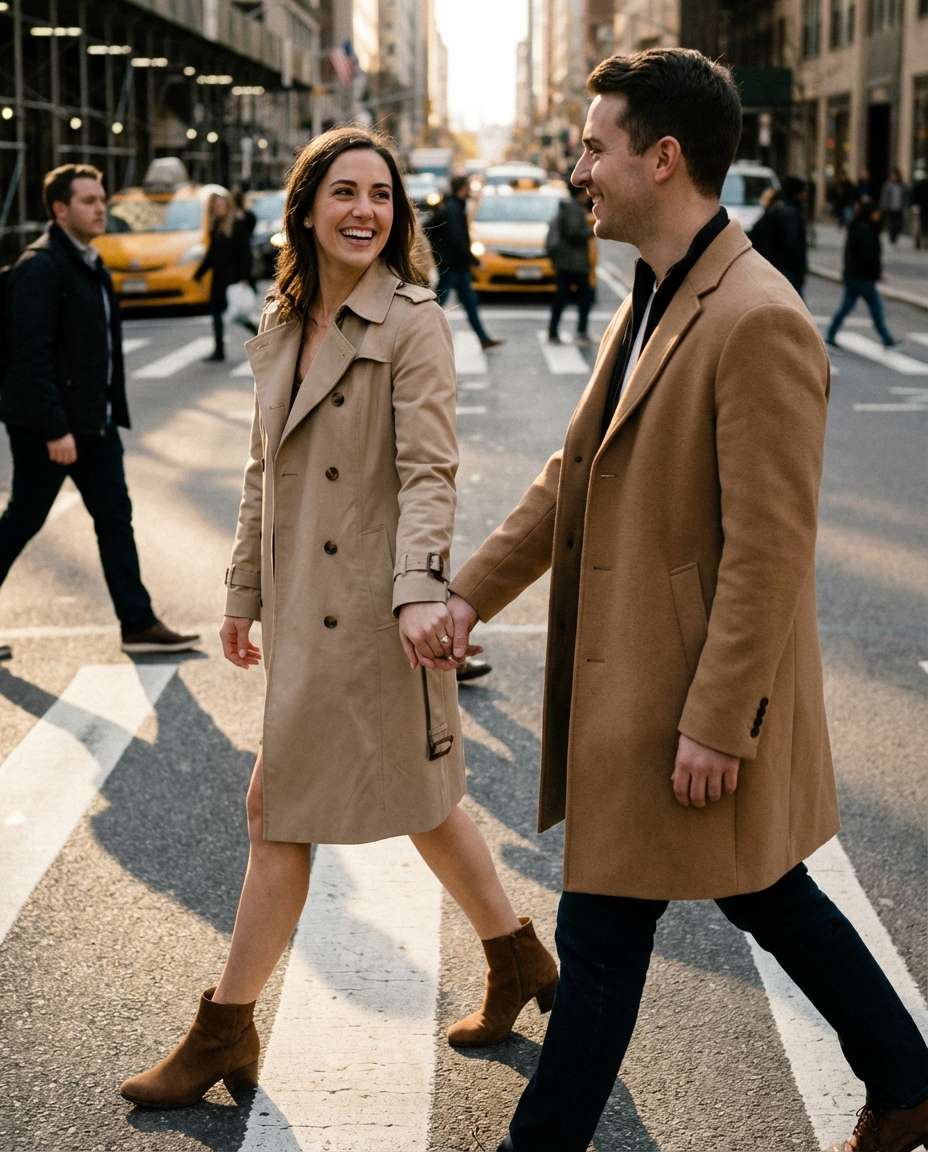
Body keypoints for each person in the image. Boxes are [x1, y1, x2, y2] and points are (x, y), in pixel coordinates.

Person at [444, 49, 928, 1152]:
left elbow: (770, 550)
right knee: (750, 897)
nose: (577, 170)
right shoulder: (659, 289)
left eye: (593, 148)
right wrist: (472, 595)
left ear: (662, 159)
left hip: (684, 696)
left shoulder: (755, 318)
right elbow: (573, 476)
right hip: (642, 686)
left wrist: (717, 720)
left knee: (615, 930)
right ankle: (907, 1081)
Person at [119, 126, 557, 1110]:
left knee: (277, 811)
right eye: (346, 192)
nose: (366, 211)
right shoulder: (283, 323)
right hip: (302, 609)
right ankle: (519, 959)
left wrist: (420, 587)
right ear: (307, 207)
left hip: (373, 616)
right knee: (423, 802)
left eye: (382, 195)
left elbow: (430, 473)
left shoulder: (412, 321)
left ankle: (223, 1031)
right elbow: (262, 471)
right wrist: (243, 593)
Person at [0, 164, 199, 656]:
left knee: (114, 518)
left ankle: (138, 623)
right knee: (23, 520)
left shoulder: (89, 261)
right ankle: (138, 621)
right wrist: (55, 429)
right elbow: (29, 356)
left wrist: (108, 411)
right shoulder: (41, 267)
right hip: (51, 429)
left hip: (95, 423)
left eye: (101, 198)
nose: (100, 208)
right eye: (88, 201)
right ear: (60, 210)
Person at [424, 174, 503, 351]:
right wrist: (472, 260)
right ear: (462, 189)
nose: (470, 191)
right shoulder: (452, 208)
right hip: (453, 266)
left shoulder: (454, 206)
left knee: (469, 303)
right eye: (468, 187)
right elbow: (457, 239)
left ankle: (483, 338)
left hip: (458, 266)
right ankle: (417, 335)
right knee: (436, 305)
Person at [826, 197, 898, 348]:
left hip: (853, 274)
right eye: (876, 211)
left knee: (846, 307)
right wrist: (875, 273)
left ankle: (831, 333)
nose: (878, 214)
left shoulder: (859, 226)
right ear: (870, 212)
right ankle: (886, 338)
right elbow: (868, 255)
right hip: (862, 277)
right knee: (875, 307)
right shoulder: (865, 229)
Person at [194, 191, 256, 362]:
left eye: (221, 205)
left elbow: (245, 253)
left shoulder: (237, 225)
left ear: (228, 206)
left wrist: (244, 277)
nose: (218, 209)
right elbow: (211, 254)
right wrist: (199, 273)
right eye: (215, 206)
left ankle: (260, 335)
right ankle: (219, 350)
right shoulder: (216, 227)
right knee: (216, 313)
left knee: (239, 315)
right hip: (219, 278)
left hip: (233, 277)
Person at [546, 183, 595, 344]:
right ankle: (580, 331)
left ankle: (554, 331)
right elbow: (573, 233)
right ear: (581, 193)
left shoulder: (568, 207)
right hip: (574, 263)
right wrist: (593, 231)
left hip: (566, 262)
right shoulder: (574, 209)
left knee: (562, 298)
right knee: (584, 298)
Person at [749, 175, 808, 295]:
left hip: (777, 267)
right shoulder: (790, 213)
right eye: (803, 191)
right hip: (787, 270)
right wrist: (800, 270)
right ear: (797, 193)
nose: (805, 194)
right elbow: (792, 245)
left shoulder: (776, 208)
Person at [880, 167, 907, 246]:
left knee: (898, 224)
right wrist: (883, 206)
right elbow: (884, 196)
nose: (893, 177)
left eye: (895, 175)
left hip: (899, 208)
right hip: (890, 208)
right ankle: (892, 237)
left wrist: (905, 205)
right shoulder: (888, 185)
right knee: (891, 223)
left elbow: (905, 196)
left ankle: (895, 235)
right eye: (892, 175)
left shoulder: (902, 185)